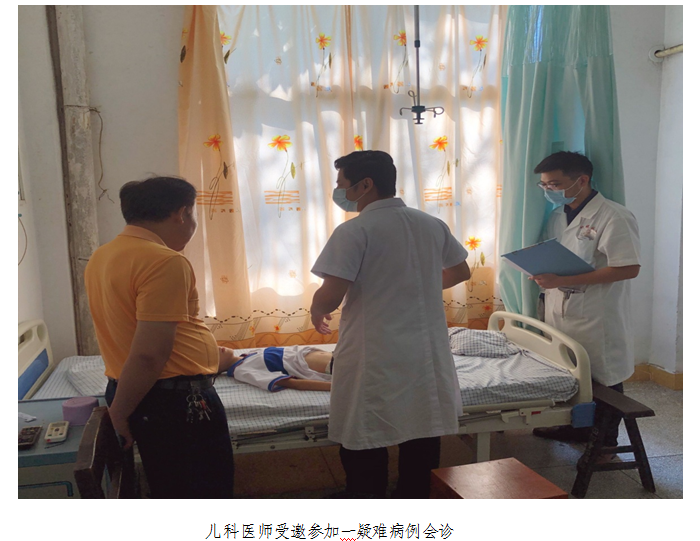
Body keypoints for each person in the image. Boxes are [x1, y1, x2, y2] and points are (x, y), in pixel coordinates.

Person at [310, 150, 471, 498]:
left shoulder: (355, 230)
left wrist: (316, 308)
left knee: (366, 436)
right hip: (425, 354)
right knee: (422, 435)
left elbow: (331, 295)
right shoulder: (430, 224)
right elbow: (461, 271)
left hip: (377, 353)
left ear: (365, 185)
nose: (339, 191)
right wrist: (419, 283)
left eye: (342, 184)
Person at [84, 176, 236, 499]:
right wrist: (119, 413)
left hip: (137, 391)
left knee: (171, 487)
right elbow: (149, 354)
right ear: (181, 213)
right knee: (203, 493)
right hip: (174, 403)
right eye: (194, 214)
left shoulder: (102, 256)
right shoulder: (164, 261)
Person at [529, 151, 641, 451]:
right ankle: (578, 431)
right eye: (544, 185)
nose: (549, 191)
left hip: (596, 315)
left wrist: (561, 280)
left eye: (554, 184)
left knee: (603, 379)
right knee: (571, 373)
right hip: (562, 308)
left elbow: (628, 268)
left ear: (581, 180)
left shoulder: (614, 216)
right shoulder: (558, 215)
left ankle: (606, 445)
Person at [220, 346, 333, 392]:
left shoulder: (248, 354)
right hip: (331, 366)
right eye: (213, 354)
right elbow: (293, 383)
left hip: (334, 355)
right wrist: (334, 387)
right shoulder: (242, 371)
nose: (217, 347)